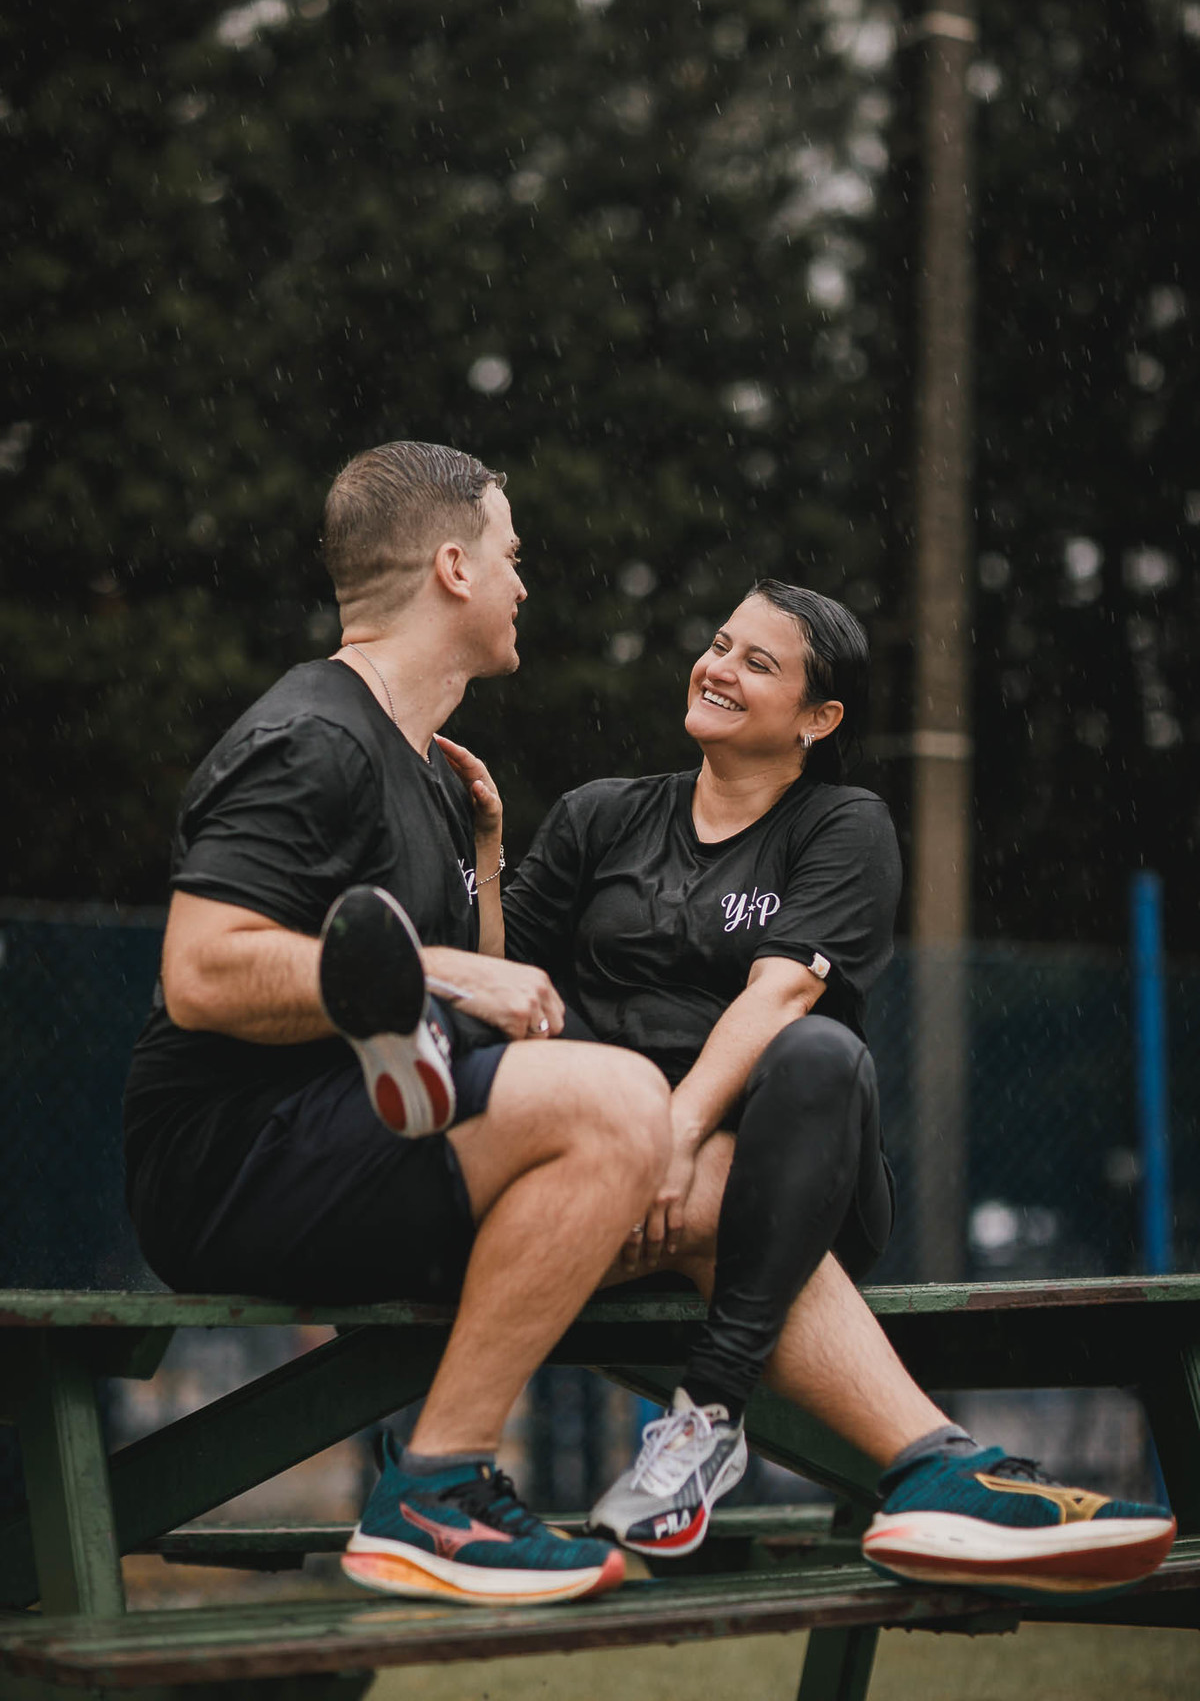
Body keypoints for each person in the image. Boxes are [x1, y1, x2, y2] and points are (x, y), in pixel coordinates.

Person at [502, 580, 1176, 1596]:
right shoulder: (600, 817)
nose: (719, 667)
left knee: (821, 1054)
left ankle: (710, 1413)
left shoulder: (845, 825)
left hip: (791, 1180)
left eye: (758, 663)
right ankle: (944, 1475)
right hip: (611, 1195)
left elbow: (779, 1001)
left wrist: (667, 1144)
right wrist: (477, 847)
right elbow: (497, 989)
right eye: (721, 643)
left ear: (820, 720)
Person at [122, 439, 673, 1607]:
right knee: (620, 1101)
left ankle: (919, 1469)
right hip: (234, 1158)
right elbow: (201, 975)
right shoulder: (310, 737)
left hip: (358, 1138)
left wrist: (483, 855)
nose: (528, 584)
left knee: (714, 1176)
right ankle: (436, 1486)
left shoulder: (422, 768)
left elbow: (496, 1027)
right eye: (513, 557)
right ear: (455, 567)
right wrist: (444, 979)